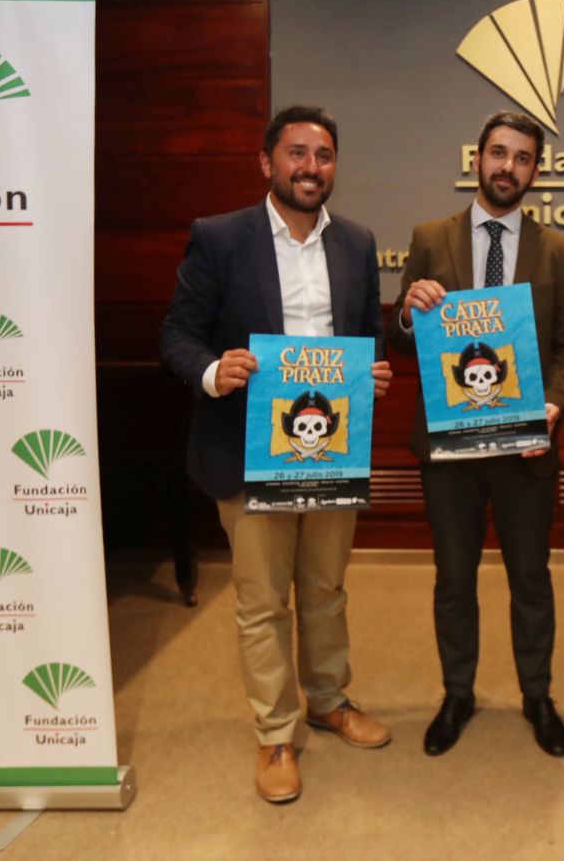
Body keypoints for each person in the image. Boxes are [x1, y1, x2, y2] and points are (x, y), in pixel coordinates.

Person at [160, 105, 393, 805]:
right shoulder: (221, 237)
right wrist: (213, 370)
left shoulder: (355, 242)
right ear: (267, 162)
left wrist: (374, 370)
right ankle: (275, 732)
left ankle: (327, 697)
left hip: (330, 451)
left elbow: (363, 338)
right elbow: (178, 334)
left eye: (323, 155)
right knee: (262, 600)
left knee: (324, 587)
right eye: (296, 153)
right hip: (247, 449)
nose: (310, 167)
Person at [391, 111, 564, 759]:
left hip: (527, 446)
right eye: (498, 153)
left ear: (536, 170)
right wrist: (412, 314)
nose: (509, 166)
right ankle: (457, 692)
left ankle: (537, 694)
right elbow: (401, 332)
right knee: (454, 577)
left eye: (523, 157)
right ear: (477, 160)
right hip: (449, 448)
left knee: (531, 576)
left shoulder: (557, 250)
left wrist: (554, 407)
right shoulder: (429, 237)